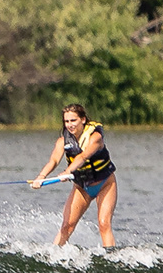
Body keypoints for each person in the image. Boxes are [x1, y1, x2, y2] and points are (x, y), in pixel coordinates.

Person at [30, 102, 117, 248]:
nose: (70, 125)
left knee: (103, 224)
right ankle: (54, 253)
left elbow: (83, 156)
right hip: (82, 187)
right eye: (66, 121)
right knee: (67, 226)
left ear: (83, 119)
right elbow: (53, 160)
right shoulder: (62, 141)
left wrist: (67, 171)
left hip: (105, 184)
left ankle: (110, 255)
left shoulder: (96, 138)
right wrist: (41, 177)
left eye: (73, 120)